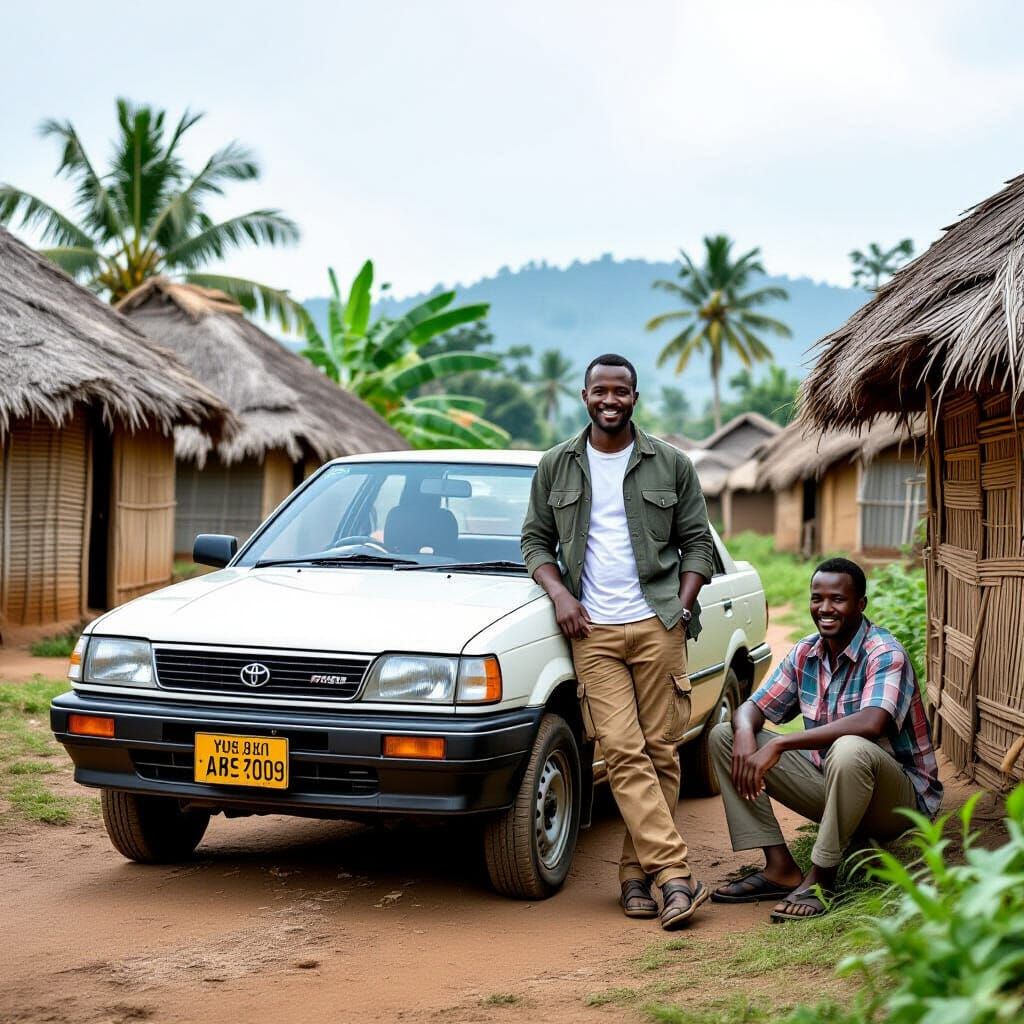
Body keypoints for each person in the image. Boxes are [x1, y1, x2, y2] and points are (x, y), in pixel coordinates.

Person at [520, 353, 714, 929]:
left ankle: (636, 877)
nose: (610, 399)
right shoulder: (556, 465)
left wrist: (679, 608)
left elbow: (697, 542)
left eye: (621, 391)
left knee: (661, 753)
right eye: (600, 391)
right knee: (623, 751)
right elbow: (535, 540)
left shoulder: (671, 464)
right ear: (585, 397)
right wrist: (560, 595)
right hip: (593, 633)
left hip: (659, 624)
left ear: (635, 397)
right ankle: (675, 877)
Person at [709, 557, 942, 921]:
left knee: (850, 747)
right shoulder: (807, 651)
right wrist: (742, 732)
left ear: (860, 605)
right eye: (817, 598)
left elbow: (871, 722)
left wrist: (781, 743)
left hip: (897, 804)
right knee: (723, 734)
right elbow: (753, 706)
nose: (825, 609)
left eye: (838, 599)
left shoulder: (884, 653)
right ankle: (780, 868)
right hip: (837, 786)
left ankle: (822, 876)